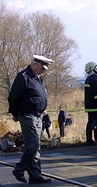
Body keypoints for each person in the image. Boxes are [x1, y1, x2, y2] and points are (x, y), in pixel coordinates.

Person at [8, 54, 54, 184]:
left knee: (35, 146)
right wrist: (14, 113)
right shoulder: (23, 77)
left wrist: (43, 110)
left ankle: (35, 174)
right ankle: (19, 169)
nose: (44, 70)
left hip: (37, 115)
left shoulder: (38, 78)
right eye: (42, 67)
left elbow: (37, 96)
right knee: (33, 144)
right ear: (34, 65)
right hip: (27, 115)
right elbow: (13, 97)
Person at [84, 61, 97, 146]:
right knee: (96, 123)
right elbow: (96, 93)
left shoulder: (88, 79)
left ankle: (89, 139)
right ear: (92, 68)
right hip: (95, 106)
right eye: (95, 67)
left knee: (90, 123)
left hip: (89, 106)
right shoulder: (94, 78)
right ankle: (96, 139)